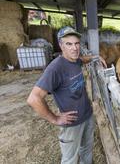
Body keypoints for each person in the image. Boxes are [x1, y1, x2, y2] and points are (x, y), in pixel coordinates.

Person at [27, 26, 107, 164]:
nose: (74, 48)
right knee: (70, 159)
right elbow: (33, 99)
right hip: (72, 124)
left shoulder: (75, 60)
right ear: (61, 45)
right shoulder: (55, 68)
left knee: (86, 151)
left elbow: (82, 59)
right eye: (69, 44)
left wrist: (95, 57)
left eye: (76, 43)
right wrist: (55, 119)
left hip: (87, 117)